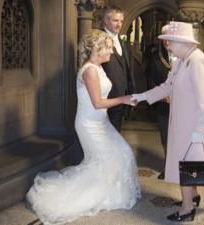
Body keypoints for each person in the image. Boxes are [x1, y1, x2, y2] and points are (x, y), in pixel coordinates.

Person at [26, 30, 141, 225]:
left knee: (123, 152)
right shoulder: (89, 70)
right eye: (109, 48)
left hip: (100, 122)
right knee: (105, 159)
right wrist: (124, 99)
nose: (111, 52)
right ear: (97, 49)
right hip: (90, 124)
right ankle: (92, 195)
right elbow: (97, 103)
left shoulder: (98, 67)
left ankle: (109, 192)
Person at [132, 21, 204, 222]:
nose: (168, 46)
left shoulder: (199, 61)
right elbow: (167, 87)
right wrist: (142, 97)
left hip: (194, 126)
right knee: (190, 163)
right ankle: (194, 196)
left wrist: (199, 132)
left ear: (182, 41)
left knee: (187, 165)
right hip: (182, 124)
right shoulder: (181, 61)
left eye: (170, 42)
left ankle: (187, 209)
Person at [101, 6, 136, 132]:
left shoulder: (123, 42)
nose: (119, 24)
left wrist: (132, 91)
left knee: (116, 134)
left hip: (122, 99)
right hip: (106, 100)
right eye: (115, 20)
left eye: (121, 21)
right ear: (105, 20)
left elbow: (127, 69)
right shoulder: (99, 41)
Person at [145, 25, 172, 180]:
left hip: (183, 105)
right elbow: (150, 79)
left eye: (170, 38)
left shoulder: (185, 57)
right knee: (166, 136)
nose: (167, 42)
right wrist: (160, 96)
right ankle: (168, 167)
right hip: (163, 105)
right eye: (165, 38)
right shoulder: (156, 58)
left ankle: (181, 167)